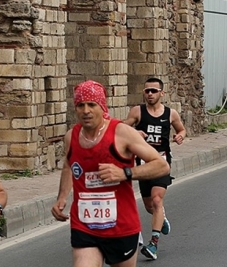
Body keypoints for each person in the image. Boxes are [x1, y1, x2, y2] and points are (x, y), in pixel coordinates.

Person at [52, 80, 170, 267]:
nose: (86, 111)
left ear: (102, 106)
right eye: (80, 105)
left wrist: (125, 173)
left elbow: (161, 166)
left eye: (92, 104)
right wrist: (62, 197)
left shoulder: (121, 132)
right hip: (85, 224)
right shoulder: (71, 136)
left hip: (121, 226)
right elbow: (68, 165)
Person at [123, 78, 186, 260]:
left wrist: (180, 136)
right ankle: (161, 217)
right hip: (143, 164)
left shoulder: (170, 113)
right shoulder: (138, 111)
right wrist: (135, 133)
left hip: (162, 162)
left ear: (161, 93)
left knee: (157, 200)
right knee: (150, 206)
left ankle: (153, 244)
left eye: (154, 91)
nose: (150, 94)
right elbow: (121, 128)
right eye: (147, 91)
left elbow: (181, 129)